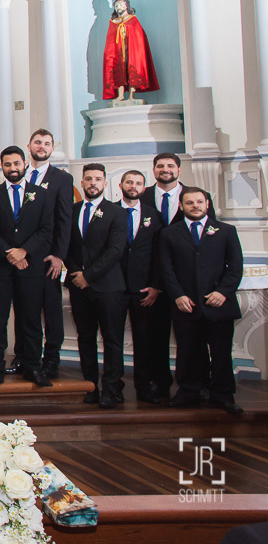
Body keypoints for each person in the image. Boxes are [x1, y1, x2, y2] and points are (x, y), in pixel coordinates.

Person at [159, 187, 244, 415]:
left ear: (207, 204)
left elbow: (235, 267)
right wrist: (178, 295)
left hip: (218, 304)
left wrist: (223, 292)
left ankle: (223, 395)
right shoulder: (169, 233)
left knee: (221, 353)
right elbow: (166, 269)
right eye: (189, 202)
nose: (195, 206)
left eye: (199, 202)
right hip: (186, 304)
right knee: (187, 352)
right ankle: (188, 391)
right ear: (181, 206)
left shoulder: (226, 231)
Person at [0, 146, 54, 388]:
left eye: (16, 163)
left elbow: (46, 229)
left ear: (25, 164)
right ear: (2, 167)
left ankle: (32, 366)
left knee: (31, 319)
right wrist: (9, 252)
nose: (13, 168)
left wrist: (24, 251)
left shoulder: (41, 194)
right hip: (1, 267)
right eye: (7, 164)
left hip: (30, 266)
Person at [65, 164, 128, 409]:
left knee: (112, 340)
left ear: (105, 183)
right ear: (82, 183)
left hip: (108, 286)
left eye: (98, 179)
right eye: (89, 179)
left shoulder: (116, 212)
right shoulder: (72, 210)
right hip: (78, 286)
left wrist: (88, 276)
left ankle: (111, 389)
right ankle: (90, 387)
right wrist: (76, 273)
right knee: (85, 338)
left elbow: (116, 250)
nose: (93, 183)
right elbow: (66, 246)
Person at [15, 129, 72, 379]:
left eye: (47, 143)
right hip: (22, 256)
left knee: (51, 311)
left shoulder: (62, 179)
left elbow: (64, 219)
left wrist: (59, 255)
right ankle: (24, 357)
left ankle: (51, 360)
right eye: (37, 142)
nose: (42, 146)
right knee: (24, 310)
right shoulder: (20, 173)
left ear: (52, 148)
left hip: (48, 257)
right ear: (29, 146)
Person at [117, 169, 170, 403]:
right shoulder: (109, 211)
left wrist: (156, 286)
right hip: (115, 287)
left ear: (143, 187)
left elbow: (160, 254)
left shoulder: (153, 215)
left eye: (138, 183)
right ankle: (114, 386)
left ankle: (144, 387)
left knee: (144, 341)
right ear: (120, 185)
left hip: (144, 290)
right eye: (129, 182)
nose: (133, 186)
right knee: (113, 340)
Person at [139, 151, 187, 401]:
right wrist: (155, 283)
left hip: (185, 280)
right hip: (152, 279)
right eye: (160, 166)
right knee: (155, 335)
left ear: (179, 170)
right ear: (154, 170)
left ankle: (193, 384)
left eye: (170, 165)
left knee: (190, 336)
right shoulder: (142, 195)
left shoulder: (195, 196)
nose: (165, 169)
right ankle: (160, 382)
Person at [102, 0, 159, 101]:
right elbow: (110, 41)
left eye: (120, 5)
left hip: (131, 52)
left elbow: (138, 36)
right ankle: (120, 95)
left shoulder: (132, 20)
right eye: (116, 6)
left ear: (126, 6)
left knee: (132, 71)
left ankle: (131, 96)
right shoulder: (114, 22)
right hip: (118, 53)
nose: (118, 7)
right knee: (118, 72)